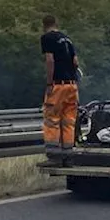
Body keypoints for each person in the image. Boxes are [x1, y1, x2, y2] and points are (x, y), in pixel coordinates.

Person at [41, 14, 80, 162]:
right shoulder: (67, 39)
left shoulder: (47, 38)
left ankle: (54, 156)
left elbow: (50, 60)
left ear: (44, 25)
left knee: (52, 118)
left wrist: (50, 83)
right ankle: (68, 155)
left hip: (58, 85)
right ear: (56, 23)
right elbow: (75, 62)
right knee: (68, 120)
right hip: (72, 85)